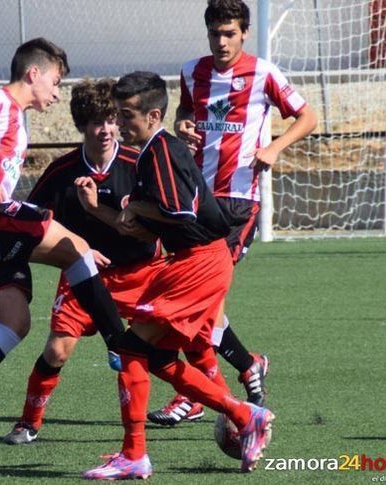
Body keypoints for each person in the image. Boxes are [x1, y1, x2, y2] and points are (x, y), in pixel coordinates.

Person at [0, 38, 126, 455]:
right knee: (76, 247)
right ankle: (119, 344)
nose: (56, 92)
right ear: (33, 73)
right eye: (54, 81)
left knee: (16, 322)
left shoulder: (17, 120)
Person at [83, 71, 275, 480]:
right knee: (155, 355)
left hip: (199, 262)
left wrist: (136, 207)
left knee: (131, 348)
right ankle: (243, 413)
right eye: (117, 114)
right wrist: (111, 212)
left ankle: (135, 454)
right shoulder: (153, 152)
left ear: (154, 115)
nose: (119, 123)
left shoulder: (160, 151)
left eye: (127, 114)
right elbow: (159, 219)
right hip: (193, 260)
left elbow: (179, 210)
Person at [147, 0, 318, 424]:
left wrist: (276, 146)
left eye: (229, 33)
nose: (221, 41)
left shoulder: (264, 73)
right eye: (214, 34)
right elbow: (187, 112)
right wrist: (184, 124)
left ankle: (200, 393)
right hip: (194, 199)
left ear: (244, 33)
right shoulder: (192, 71)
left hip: (238, 202)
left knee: (200, 299)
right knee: (202, 303)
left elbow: (308, 116)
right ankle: (244, 365)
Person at [3, 78, 163, 445]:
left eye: (110, 120)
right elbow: (33, 222)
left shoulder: (138, 164)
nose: (105, 129)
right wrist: (78, 249)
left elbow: (159, 222)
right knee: (57, 349)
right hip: (84, 275)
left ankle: (203, 403)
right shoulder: (62, 172)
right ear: (81, 125)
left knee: (164, 349)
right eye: (95, 121)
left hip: (141, 272)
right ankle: (28, 422)